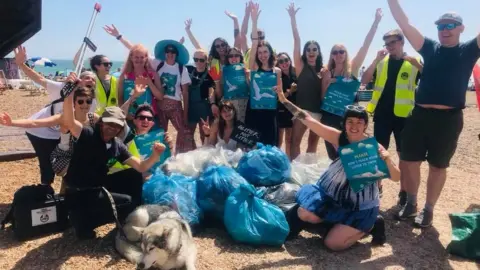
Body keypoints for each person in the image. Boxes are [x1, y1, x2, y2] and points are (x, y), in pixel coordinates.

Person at [388, 0, 480, 227]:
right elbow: (404, 22)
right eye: (441, 26)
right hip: (419, 115)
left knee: (438, 166)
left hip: (449, 119)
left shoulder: (468, 50)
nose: (445, 30)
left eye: (450, 25)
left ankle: (428, 209)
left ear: (461, 28)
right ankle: (411, 203)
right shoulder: (429, 47)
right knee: (409, 161)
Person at [274, 87, 400, 251]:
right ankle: (334, 223)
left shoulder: (374, 147)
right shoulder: (339, 137)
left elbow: (397, 177)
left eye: (359, 122)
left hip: (359, 205)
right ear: (345, 123)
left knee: (332, 244)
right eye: (350, 122)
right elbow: (309, 120)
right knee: (305, 213)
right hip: (332, 195)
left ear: (366, 125)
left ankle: (372, 225)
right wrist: (284, 101)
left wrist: (388, 159)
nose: (354, 126)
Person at [61, 76, 169, 239]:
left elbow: (140, 166)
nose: (112, 128)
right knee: (126, 201)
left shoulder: (117, 144)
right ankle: (85, 222)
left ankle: (132, 221)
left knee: (133, 175)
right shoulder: (88, 134)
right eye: (109, 124)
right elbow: (69, 121)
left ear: (120, 128)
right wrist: (69, 95)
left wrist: (155, 155)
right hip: (79, 192)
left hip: (97, 185)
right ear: (101, 123)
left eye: (117, 126)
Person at [12, 46, 96, 185]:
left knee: (69, 162)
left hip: (61, 131)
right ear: (78, 80)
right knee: (47, 162)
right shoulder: (61, 88)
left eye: (93, 79)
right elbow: (39, 79)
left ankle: (66, 190)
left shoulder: (91, 101)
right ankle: (46, 190)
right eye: (87, 78)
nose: (90, 81)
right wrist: (21, 64)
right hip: (40, 130)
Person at [362, 29, 422, 205]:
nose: (389, 47)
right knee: (379, 153)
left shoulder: (414, 61)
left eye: (392, 43)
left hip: (404, 116)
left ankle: (403, 192)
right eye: (387, 44)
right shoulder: (381, 62)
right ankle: (377, 188)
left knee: (404, 156)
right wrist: (375, 60)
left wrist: (418, 65)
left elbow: (430, 79)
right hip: (382, 114)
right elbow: (364, 80)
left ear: (402, 42)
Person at [321, 8, 383, 161]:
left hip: (348, 117)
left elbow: (365, 46)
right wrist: (327, 83)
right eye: (335, 52)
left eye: (341, 51)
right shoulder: (328, 72)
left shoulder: (353, 68)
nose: (338, 55)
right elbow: (322, 97)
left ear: (345, 53)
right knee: (333, 154)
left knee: (348, 151)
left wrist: (375, 23)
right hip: (329, 116)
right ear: (331, 55)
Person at [287, 3, 324, 160]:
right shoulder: (300, 66)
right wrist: (293, 18)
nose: (311, 52)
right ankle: (295, 170)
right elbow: (297, 39)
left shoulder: (324, 70)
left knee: (312, 144)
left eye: (314, 49)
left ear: (318, 52)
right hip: (303, 111)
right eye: (308, 49)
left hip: (319, 112)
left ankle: (308, 170)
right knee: (295, 142)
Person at [244, 3, 282, 146]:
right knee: (253, 145)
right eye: (260, 53)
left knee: (269, 144)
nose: (262, 55)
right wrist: (254, 21)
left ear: (270, 53)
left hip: (270, 111)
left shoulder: (276, 71)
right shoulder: (253, 67)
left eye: (265, 52)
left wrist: (279, 92)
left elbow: (281, 94)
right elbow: (254, 43)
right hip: (254, 110)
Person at [117, 44, 163, 121]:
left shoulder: (153, 74)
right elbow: (120, 98)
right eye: (136, 57)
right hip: (130, 118)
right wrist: (126, 115)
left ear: (146, 58)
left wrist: (149, 82)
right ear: (131, 57)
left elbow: (160, 97)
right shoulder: (124, 76)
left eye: (142, 57)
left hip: (148, 118)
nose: (139, 60)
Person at [186, 49, 218, 146]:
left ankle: (205, 156)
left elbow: (211, 91)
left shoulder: (210, 74)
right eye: (196, 59)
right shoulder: (188, 69)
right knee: (188, 135)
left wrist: (213, 104)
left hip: (204, 108)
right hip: (190, 107)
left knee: (204, 134)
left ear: (206, 61)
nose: (198, 62)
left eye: (201, 60)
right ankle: (192, 155)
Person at [217, 47, 250, 123]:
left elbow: (251, 88)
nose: (233, 58)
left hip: (244, 102)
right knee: (230, 126)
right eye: (230, 56)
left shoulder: (246, 68)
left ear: (240, 57)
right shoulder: (223, 70)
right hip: (229, 103)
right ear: (227, 58)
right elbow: (221, 88)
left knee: (243, 127)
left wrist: (248, 77)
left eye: (236, 55)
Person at [276, 52, 297, 158]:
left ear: (290, 60)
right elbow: (278, 98)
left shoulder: (295, 74)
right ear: (277, 64)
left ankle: (288, 163)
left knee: (289, 140)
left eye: (286, 60)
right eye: (280, 61)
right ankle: (278, 162)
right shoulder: (277, 76)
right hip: (280, 110)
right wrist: (290, 91)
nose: (284, 63)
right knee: (279, 140)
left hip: (292, 111)